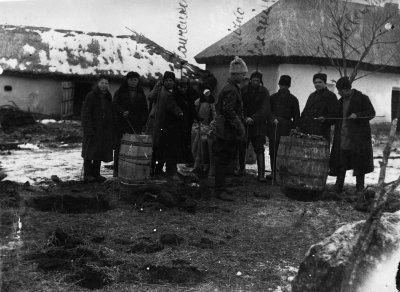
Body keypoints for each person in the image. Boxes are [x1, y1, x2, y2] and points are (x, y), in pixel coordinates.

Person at [329, 77, 375, 196]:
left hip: (358, 139)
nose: (338, 93)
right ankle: (338, 186)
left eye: (339, 90)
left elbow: (371, 113)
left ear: (345, 89)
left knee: (359, 164)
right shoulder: (341, 101)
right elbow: (335, 117)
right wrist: (325, 118)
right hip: (343, 137)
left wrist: (358, 115)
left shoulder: (362, 98)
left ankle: (359, 188)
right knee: (341, 161)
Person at [213, 56, 247, 201]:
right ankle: (220, 190)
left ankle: (223, 187)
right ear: (235, 74)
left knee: (227, 160)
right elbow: (228, 111)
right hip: (227, 132)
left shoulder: (232, 88)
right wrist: (240, 127)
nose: (244, 76)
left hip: (228, 131)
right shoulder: (231, 90)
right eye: (242, 74)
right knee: (223, 160)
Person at [236, 70, 271, 182]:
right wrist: (245, 117)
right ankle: (241, 169)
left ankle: (261, 175)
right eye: (254, 80)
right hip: (245, 123)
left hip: (258, 125)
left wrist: (254, 118)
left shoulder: (264, 92)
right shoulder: (244, 90)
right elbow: (239, 106)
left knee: (259, 149)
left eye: (258, 80)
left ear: (261, 81)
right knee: (242, 147)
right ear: (250, 80)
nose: (256, 82)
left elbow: (265, 109)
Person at [112, 71, 148, 177]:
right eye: (131, 80)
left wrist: (142, 122)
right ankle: (117, 170)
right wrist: (122, 111)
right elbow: (114, 105)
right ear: (127, 81)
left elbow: (145, 110)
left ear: (138, 81)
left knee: (132, 148)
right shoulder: (120, 92)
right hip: (122, 124)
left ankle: (129, 170)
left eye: (135, 80)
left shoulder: (141, 94)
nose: (133, 82)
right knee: (120, 147)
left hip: (135, 124)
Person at [81, 75, 115, 182]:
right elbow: (86, 113)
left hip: (103, 129)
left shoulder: (108, 97)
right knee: (89, 152)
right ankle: (87, 174)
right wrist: (88, 128)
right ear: (97, 84)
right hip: (93, 129)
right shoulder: (91, 96)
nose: (104, 85)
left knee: (99, 152)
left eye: (106, 83)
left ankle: (96, 174)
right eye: (102, 83)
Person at [150, 71, 185, 179]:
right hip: (158, 122)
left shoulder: (174, 92)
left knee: (164, 147)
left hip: (169, 124)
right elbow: (151, 97)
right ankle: (154, 170)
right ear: (163, 81)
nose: (169, 82)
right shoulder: (161, 90)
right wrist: (157, 86)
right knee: (156, 147)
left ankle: (163, 169)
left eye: (171, 80)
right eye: (167, 80)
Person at [267, 75, 300, 181]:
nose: (283, 88)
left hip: (286, 128)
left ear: (289, 86)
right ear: (279, 85)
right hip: (274, 128)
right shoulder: (272, 98)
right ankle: (273, 172)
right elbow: (268, 111)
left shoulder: (294, 100)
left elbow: (296, 116)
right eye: (282, 85)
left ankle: (282, 174)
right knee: (272, 151)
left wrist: (296, 128)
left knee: (284, 152)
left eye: (286, 86)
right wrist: (273, 119)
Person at [299, 73, 339, 142]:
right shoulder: (311, 96)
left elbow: (335, 115)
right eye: (315, 82)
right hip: (308, 131)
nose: (317, 84)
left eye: (320, 82)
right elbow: (305, 111)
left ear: (325, 83)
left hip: (322, 131)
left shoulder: (331, 96)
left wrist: (325, 119)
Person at [175, 77, 200, 165]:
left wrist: (197, 117)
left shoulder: (189, 96)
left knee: (186, 141)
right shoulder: (175, 96)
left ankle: (187, 160)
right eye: (180, 87)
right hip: (177, 122)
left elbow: (192, 109)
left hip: (187, 122)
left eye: (185, 87)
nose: (183, 89)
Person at [192, 88, 216, 176]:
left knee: (203, 145)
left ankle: (203, 166)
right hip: (198, 125)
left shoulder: (211, 103)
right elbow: (194, 110)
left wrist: (211, 124)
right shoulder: (199, 101)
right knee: (197, 146)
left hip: (206, 126)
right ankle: (197, 164)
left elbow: (213, 114)